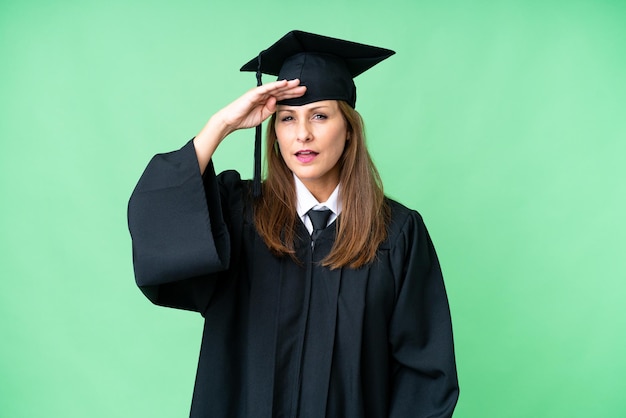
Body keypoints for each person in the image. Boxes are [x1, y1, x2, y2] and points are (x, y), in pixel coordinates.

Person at [128, 30, 459, 418]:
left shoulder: (396, 233)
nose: (303, 133)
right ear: (275, 132)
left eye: (320, 115)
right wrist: (220, 125)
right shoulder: (238, 215)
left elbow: (424, 375)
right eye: (287, 119)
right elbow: (158, 226)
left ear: (349, 128)